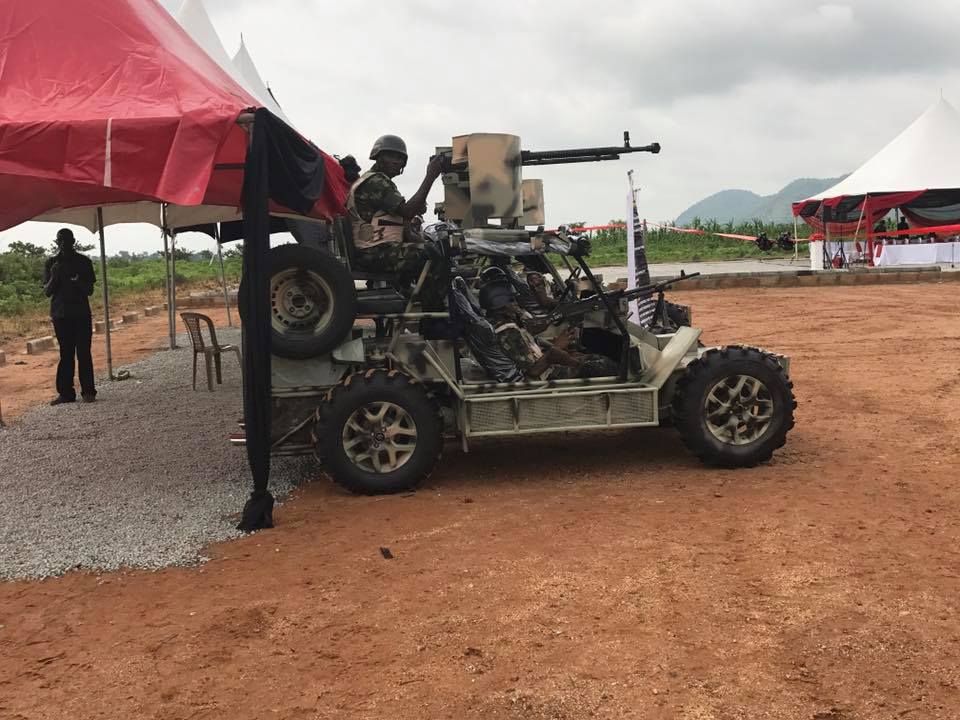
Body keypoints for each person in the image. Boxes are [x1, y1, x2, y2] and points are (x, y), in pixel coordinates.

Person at [346, 135, 444, 280]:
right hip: (373, 253)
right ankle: (432, 302)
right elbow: (407, 211)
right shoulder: (377, 181)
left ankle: (414, 298)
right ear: (378, 157)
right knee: (433, 254)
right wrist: (430, 175)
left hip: (374, 250)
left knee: (430, 248)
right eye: (390, 156)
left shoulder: (376, 180)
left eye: (399, 158)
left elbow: (403, 216)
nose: (395, 161)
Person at [479, 278, 618, 380]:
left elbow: (531, 355)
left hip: (549, 366)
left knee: (593, 357)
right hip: (548, 376)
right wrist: (558, 349)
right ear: (501, 304)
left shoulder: (507, 327)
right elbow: (533, 371)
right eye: (512, 301)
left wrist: (562, 352)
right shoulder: (507, 333)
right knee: (604, 366)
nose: (516, 304)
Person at [43, 228, 97, 405]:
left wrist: (77, 281)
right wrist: (54, 276)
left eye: (67, 239)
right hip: (61, 315)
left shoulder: (83, 262)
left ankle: (88, 392)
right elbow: (47, 291)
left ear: (73, 241)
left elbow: (89, 290)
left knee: (83, 353)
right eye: (60, 239)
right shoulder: (51, 263)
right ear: (56, 242)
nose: (64, 242)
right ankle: (66, 393)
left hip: (81, 314)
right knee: (65, 354)